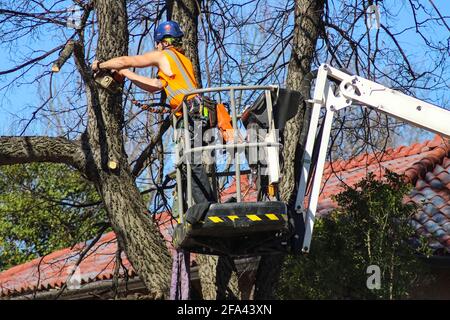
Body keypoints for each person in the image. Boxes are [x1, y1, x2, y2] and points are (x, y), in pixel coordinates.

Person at [91, 21, 215, 205]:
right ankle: (205, 205)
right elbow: (156, 87)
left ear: (163, 42)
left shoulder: (164, 55)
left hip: (190, 114)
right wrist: (127, 74)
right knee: (190, 163)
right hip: (198, 113)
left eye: (157, 44)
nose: (156, 48)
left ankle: (207, 206)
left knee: (192, 162)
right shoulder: (183, 61)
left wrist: (100, 65)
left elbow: (126, 61)